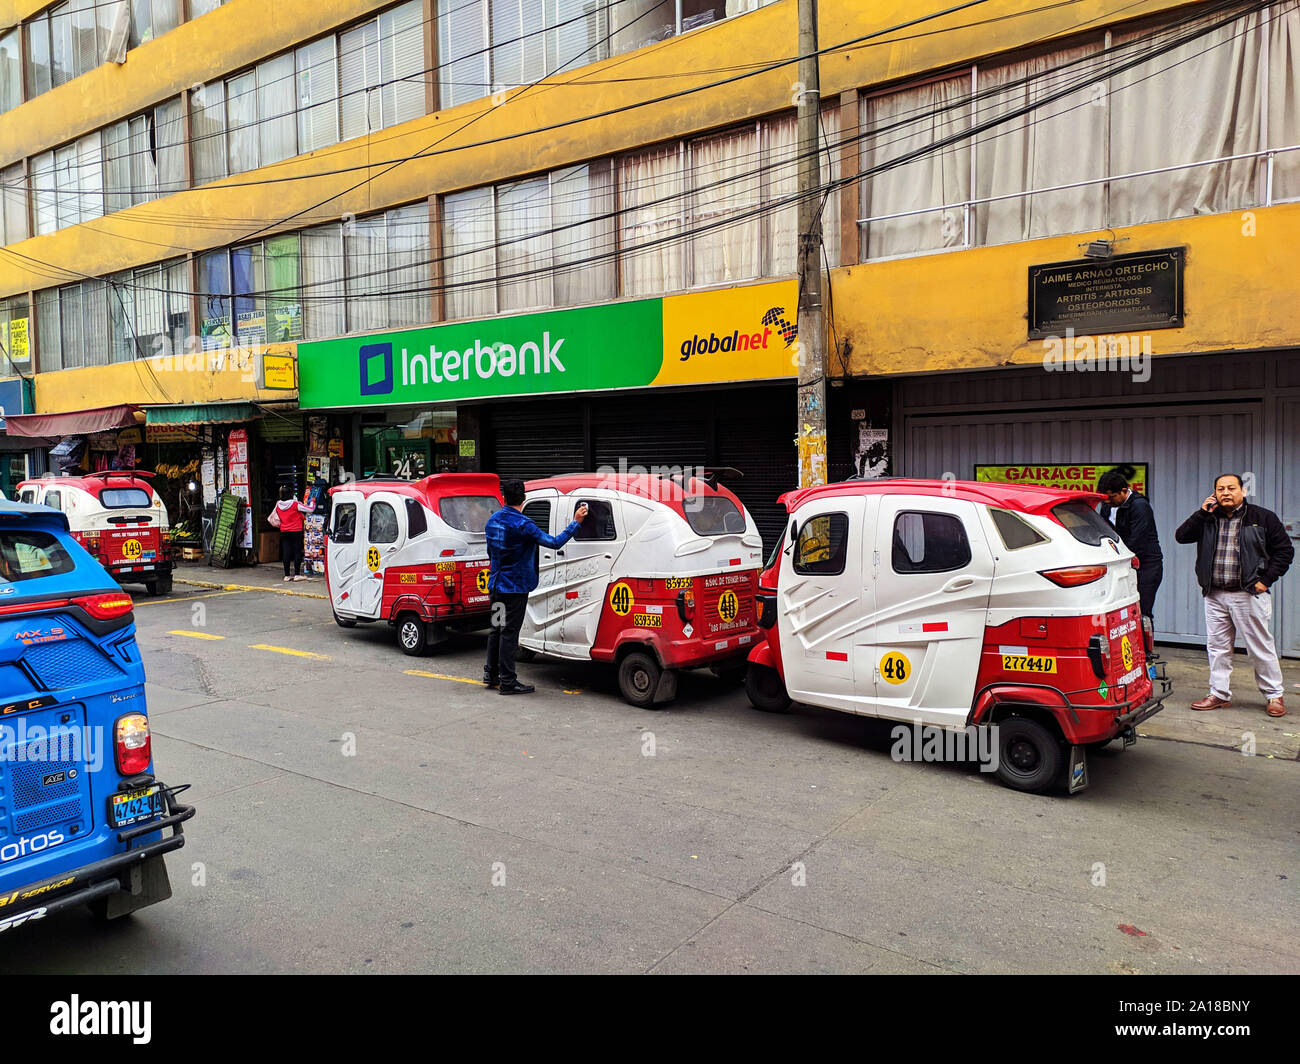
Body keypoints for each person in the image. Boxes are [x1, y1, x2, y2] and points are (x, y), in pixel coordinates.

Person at [1174, 473, 1294, 718]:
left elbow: (1284, 551)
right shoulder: (1208, 518)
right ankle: (1219, 693)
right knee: (1217, 648)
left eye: (1231, 488)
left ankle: (1274, 695)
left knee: (1259, 647)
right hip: (1215, 594)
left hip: (1248, 593)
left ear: (1243, 491)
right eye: (1220, 489)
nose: (1225, 493)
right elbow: (1181, 536)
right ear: (1214, 494)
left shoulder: (1262, 518)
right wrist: (1201, 512)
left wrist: (1265, 581)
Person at [483, 480, 588, 695]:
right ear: (523, 498)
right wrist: (576, 522)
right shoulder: (524, 525)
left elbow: (490, 553)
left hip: (496, 587)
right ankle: (508, 682)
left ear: (504, 497)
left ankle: (491, 674)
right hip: (515, 589)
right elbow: (555, 542)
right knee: (510, 633)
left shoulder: (492, 522)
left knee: (497, 629)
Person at [1096, 469, 1163, 620]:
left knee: (1142, 611)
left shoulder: (1139, 506)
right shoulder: (1108, 505)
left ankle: (1145, 643)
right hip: (1122, 563)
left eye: (1111, 497)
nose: (1107, 501)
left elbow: (1138, 539)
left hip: (1146, 565)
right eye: (1105, 498)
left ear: (1123, 491)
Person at [274, 485, 314, 582]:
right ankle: (296, 574)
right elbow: (310, 509)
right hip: (296, 531)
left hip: (284, 531)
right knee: (297, 552)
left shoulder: (278, 504)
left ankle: (287, 575)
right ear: (290, 494)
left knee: (286, 552)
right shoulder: (295, 504)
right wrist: (312, 501)